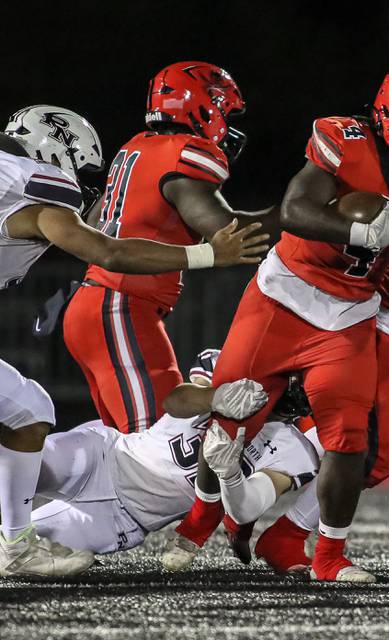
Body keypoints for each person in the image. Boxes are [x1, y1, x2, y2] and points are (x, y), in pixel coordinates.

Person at [171, 61, 389, 583]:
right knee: (231, 409)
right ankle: (202, 518)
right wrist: (358, 234)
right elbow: (294, 210)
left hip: (349, 317)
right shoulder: (345, 140)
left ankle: (329, 556)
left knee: (348, 442)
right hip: (282, 297)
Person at [0, 108, 267, 578]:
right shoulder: (37, 180)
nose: (79, 186)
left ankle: (18, 539)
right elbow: (108, 249)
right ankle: (18, 546)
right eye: (78, 171)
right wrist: (210, 253)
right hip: (120, 495)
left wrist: (61, 292)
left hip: (99, 445)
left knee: (27, 413)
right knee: (35, 411)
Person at [62, 61, 278, 435]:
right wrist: (297, 214)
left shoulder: (136, 147)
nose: (228, 122)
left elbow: (96, 223)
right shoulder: (183, 151)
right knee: (155, 445)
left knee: (126, 448)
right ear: (204, 105)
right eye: (225, 110)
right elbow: (228, 231)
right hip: (121, 305)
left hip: (100, 304)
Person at [29, 350, 318, 556]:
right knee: (19, 467)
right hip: (105, 455)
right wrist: (215, 397)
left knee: (19, 547)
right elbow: (175, 401)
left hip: (121, 519)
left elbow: (245, 509)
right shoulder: (228, 366)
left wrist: (230, 474)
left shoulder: (297, 451)